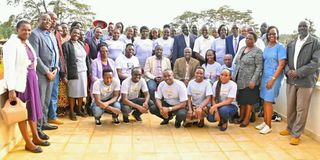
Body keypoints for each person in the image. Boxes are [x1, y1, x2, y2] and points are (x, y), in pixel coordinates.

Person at [4, 20, 50, 153]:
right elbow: (9, 69)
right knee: (23, 113)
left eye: (29, 30)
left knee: (32, 111)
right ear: (17, 29)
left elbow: (33, 63)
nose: (27, 32)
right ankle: (28, 143)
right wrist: (11, 89)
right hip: (21, 84)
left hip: (31, 81)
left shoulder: (26, 43)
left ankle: (35, 137)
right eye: (24, 29)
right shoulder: (11, 45)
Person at [280, 20, 320, 145]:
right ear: (297, 28)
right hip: (291, 80)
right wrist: (288, 72)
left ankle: (297, 134)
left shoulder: (315, 42)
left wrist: (298, 72)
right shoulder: (292, 43)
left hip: (305, 81)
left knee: (301, 109)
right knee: (291, 106)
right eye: (300, 26)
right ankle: (289, 128)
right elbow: (285, 61)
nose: (302, 28)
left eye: (305, 26)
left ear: (309, 28)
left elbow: (316, 62)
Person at [29, 14, 59, 139]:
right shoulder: (35, 34)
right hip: (42, 74)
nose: (47, 22)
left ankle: (45, 122)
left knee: (47, 100)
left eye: (49, 20)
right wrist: (47, 71)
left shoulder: (50, 34)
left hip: (53, 72)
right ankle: (38, 129)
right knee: (40, 101)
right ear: (39, 20)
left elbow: (56, 52)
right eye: (44, 19)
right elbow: (35, 56)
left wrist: (56, 68)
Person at [256, 26, 286, 134]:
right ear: (267, 36)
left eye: (274, 33)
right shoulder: (267, 47)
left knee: (268, 101)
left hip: (274, 77)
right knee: (264, 100)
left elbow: (281, 65)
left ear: (278, 34)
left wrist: (272, 79)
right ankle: (265, 122)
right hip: (265, 76)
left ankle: (269, 126)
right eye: (270, 34)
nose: (271, 36)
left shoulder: (280, 47)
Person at [233, 32, 263, 127]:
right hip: (240, 79)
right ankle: (241, 117)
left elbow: (259, 67)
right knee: (241, 101)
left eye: (250, 39)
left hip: (250, 81)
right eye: (247, 38)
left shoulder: (258, 51)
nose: (248, 40)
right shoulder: (242, 49)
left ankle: (246, 119)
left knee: (249, 101)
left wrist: (253, 80)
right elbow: (237, 63)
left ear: (255, 41)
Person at [63, 27, 91, 121]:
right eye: (74, 32)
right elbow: (65, 60)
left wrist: (89, 71)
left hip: (83, 71)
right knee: (73, 92)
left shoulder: (81, 44)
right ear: (70, 33)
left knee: (81, 92)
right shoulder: (66, 45)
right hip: (73, 72)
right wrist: (65, 74)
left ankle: (79, 109)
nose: (76, 35)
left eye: (78, 34)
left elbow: (86, 58)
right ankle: (72, 111)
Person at [47, 12, 65, 125]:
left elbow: (59, 51)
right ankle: (44, 119)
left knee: (54, 93)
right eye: (51, 19)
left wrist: (60, 67)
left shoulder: (56, 34)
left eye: (55, 19)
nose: (53, 21)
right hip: (46, 69)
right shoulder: (42, 33)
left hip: (56, 67)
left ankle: (52, 116)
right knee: (45, 95)